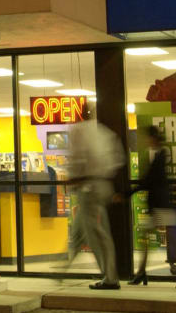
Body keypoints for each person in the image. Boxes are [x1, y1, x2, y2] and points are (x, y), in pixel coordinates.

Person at [65, 104, 125, 289]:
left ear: (80, 114)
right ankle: (65, 264)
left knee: (97, 234)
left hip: (88, 186)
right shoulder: (105, 132)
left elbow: (77, 158)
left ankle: (110, 278)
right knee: (84, 228)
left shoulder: (79, 130)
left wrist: (73, 178)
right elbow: (118, 159)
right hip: (104, 185)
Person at [130, 125, 176, 288]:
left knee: (161, 238)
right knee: (171, 238)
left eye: (148, 138)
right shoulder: (161, 154)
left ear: (153, 138)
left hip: (159, 206)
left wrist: (127, 193)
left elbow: (149, 181)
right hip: (162, 204)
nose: (146, 141)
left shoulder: (160, 156)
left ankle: (142, 272)